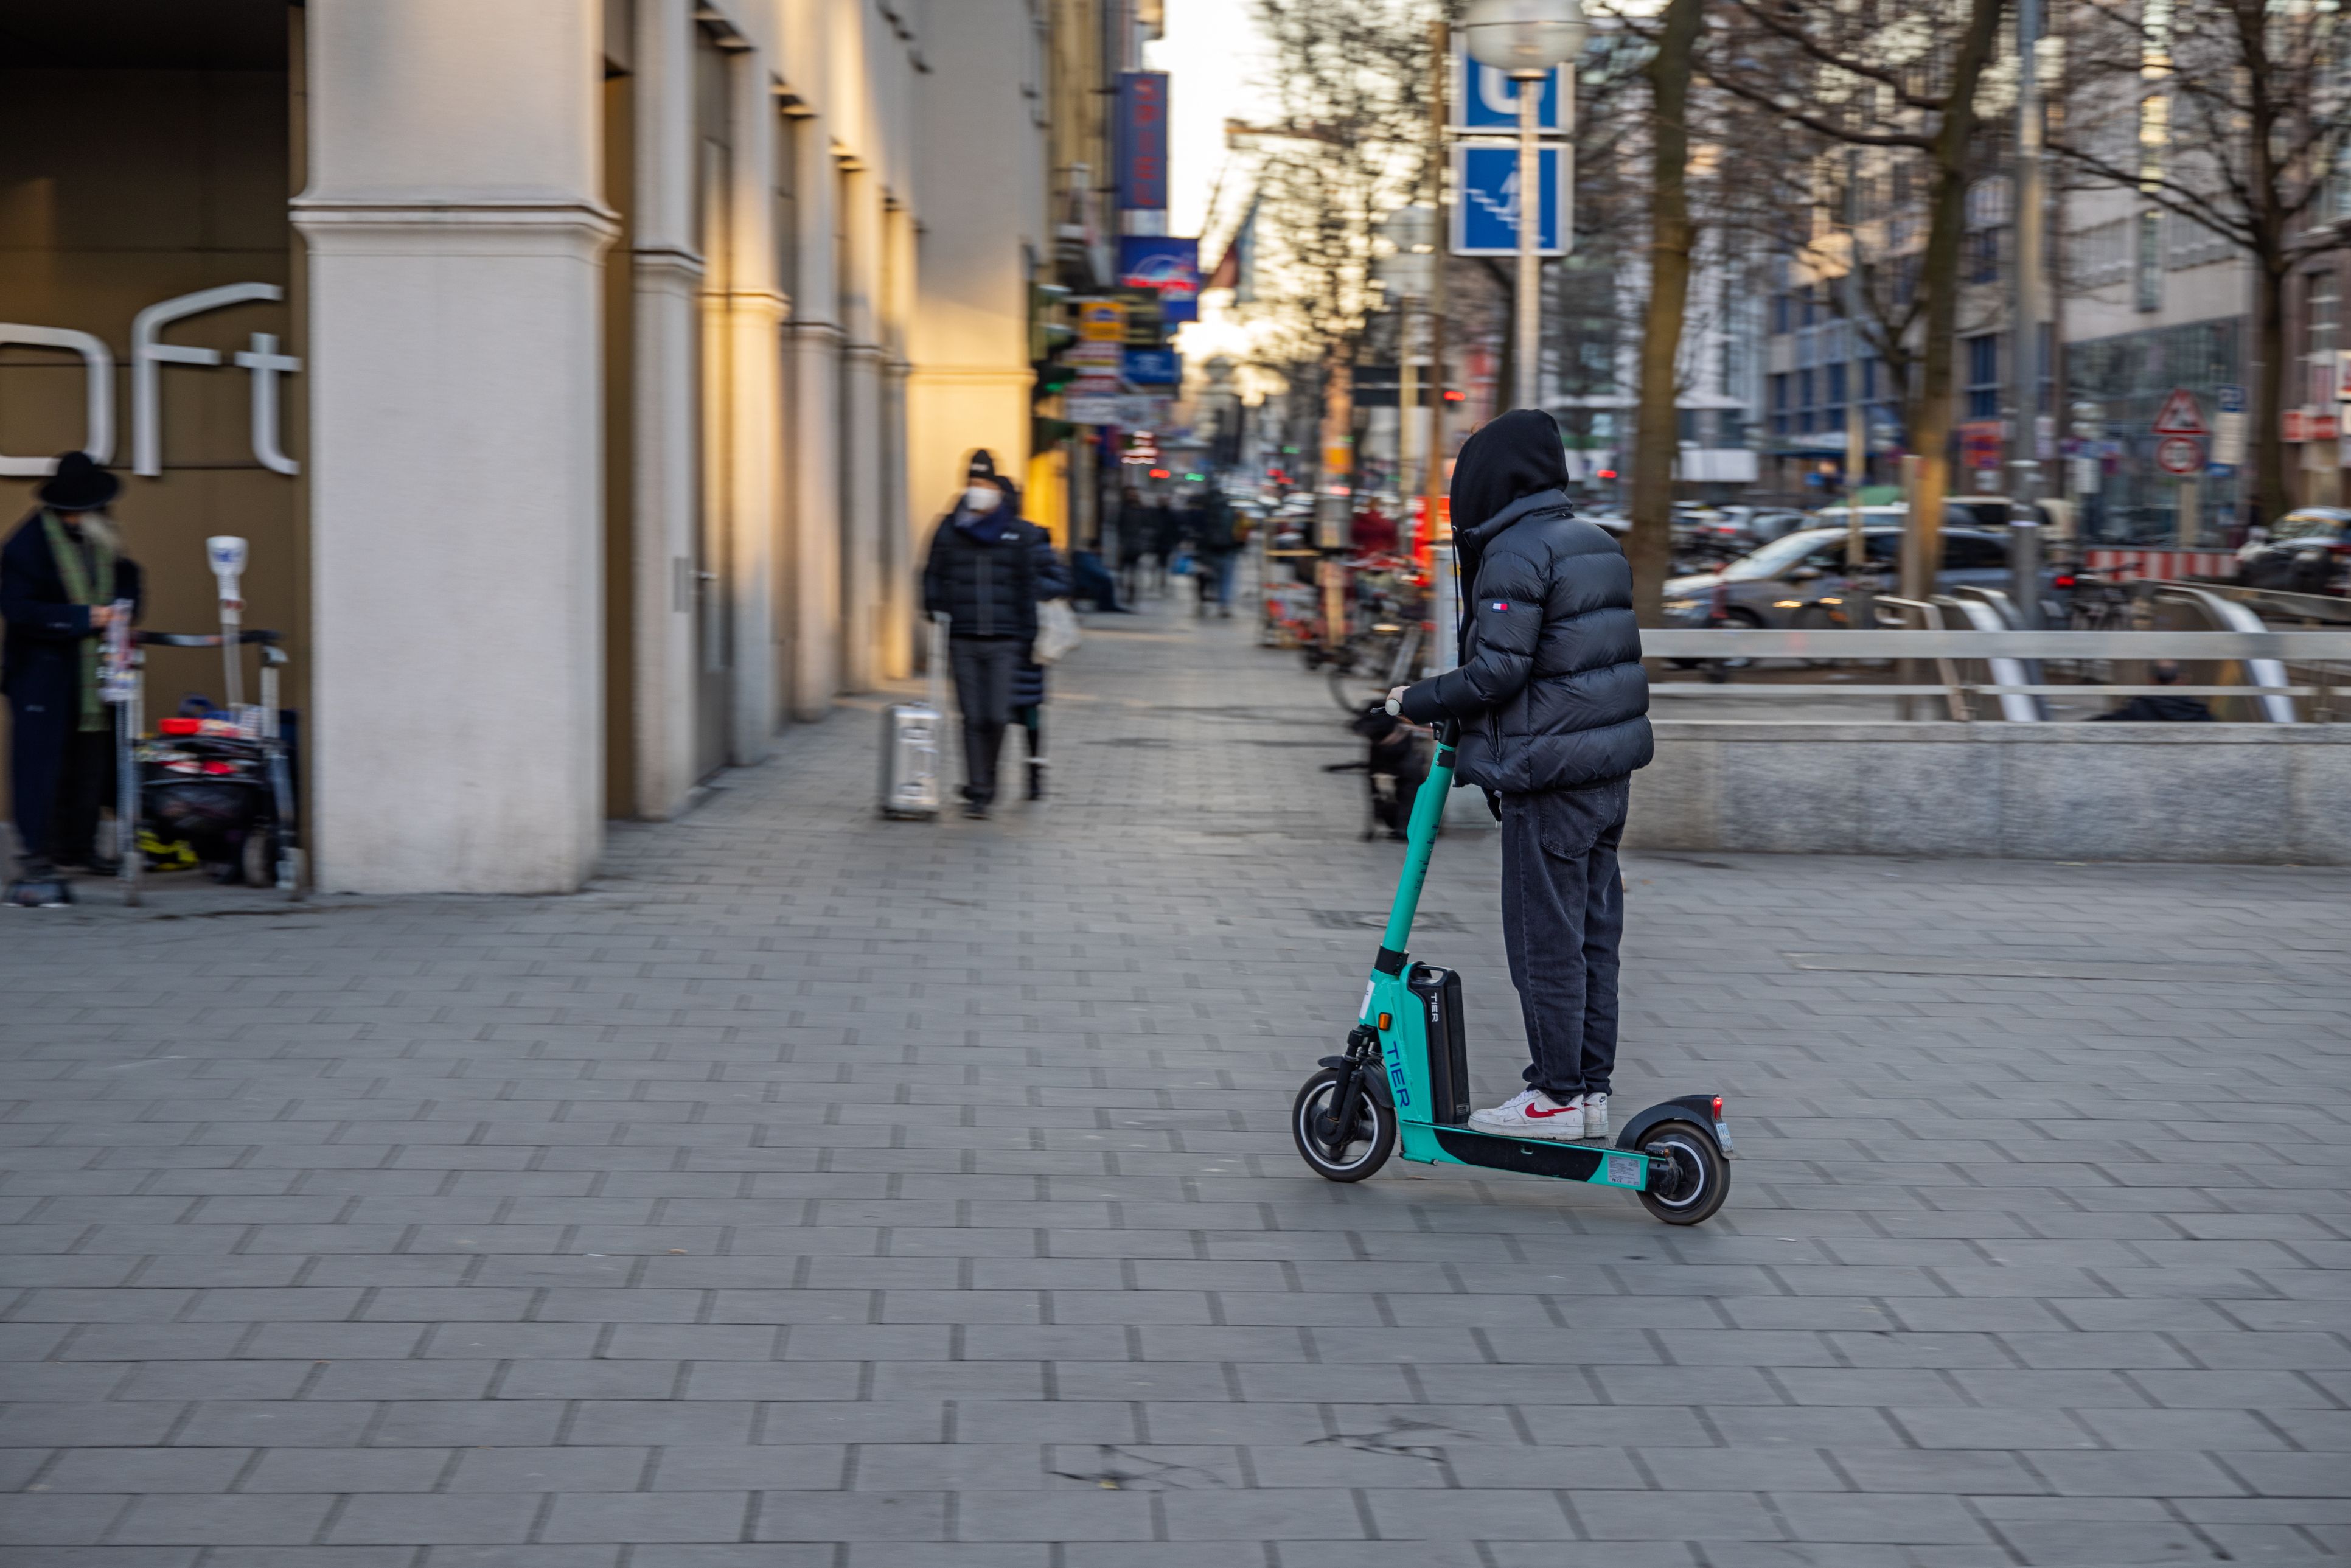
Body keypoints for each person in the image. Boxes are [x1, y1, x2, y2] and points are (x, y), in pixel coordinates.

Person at [1388, 409, 1653, 1141]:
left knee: (1544, 938)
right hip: (1605, 775)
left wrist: (1416, 700)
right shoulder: (1593, 542)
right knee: (1593, 937)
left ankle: (1557, 1095)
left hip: (1551, 777)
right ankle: (1589, 1091)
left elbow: (1499, 670)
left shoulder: (1515, 551)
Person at [3, 452, 144, 907]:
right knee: (40, 765)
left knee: (91, 759)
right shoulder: (26, 545)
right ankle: (37, 855)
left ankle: (78, 846)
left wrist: (123, 610)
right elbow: (20, 610)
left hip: (93, 671)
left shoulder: (99, 535)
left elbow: (130, 576)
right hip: (43, 671)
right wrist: (86, 617)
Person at [922, 450, 1048, 818]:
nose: (978, 490)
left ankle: (988, 777)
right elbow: (931, 571)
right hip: (962, 637)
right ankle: (979, 789)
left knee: (996, 716)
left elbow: (1027, 585)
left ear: (997, 487)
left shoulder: (1018, 533)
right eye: (973, 483)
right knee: (973, 716)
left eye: (985, 484)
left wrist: (1030, 636)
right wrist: (933, 603)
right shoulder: (949, 528)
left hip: (1006, 640)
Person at [1002, 475, 1071, 800]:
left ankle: (1033, 772)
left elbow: (1059, 581)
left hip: (1028, 639)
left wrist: (1028, 589)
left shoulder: (1032, 538)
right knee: (993, 713)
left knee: (1028, 710)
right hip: (994, 638)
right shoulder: (976, 537)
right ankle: (987, 777)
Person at [2086, 660, 2215, 722]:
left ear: (2151, 681)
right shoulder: (2200, 714)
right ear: (2183, 681)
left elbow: (2101, 724)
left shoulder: (2136, 711)